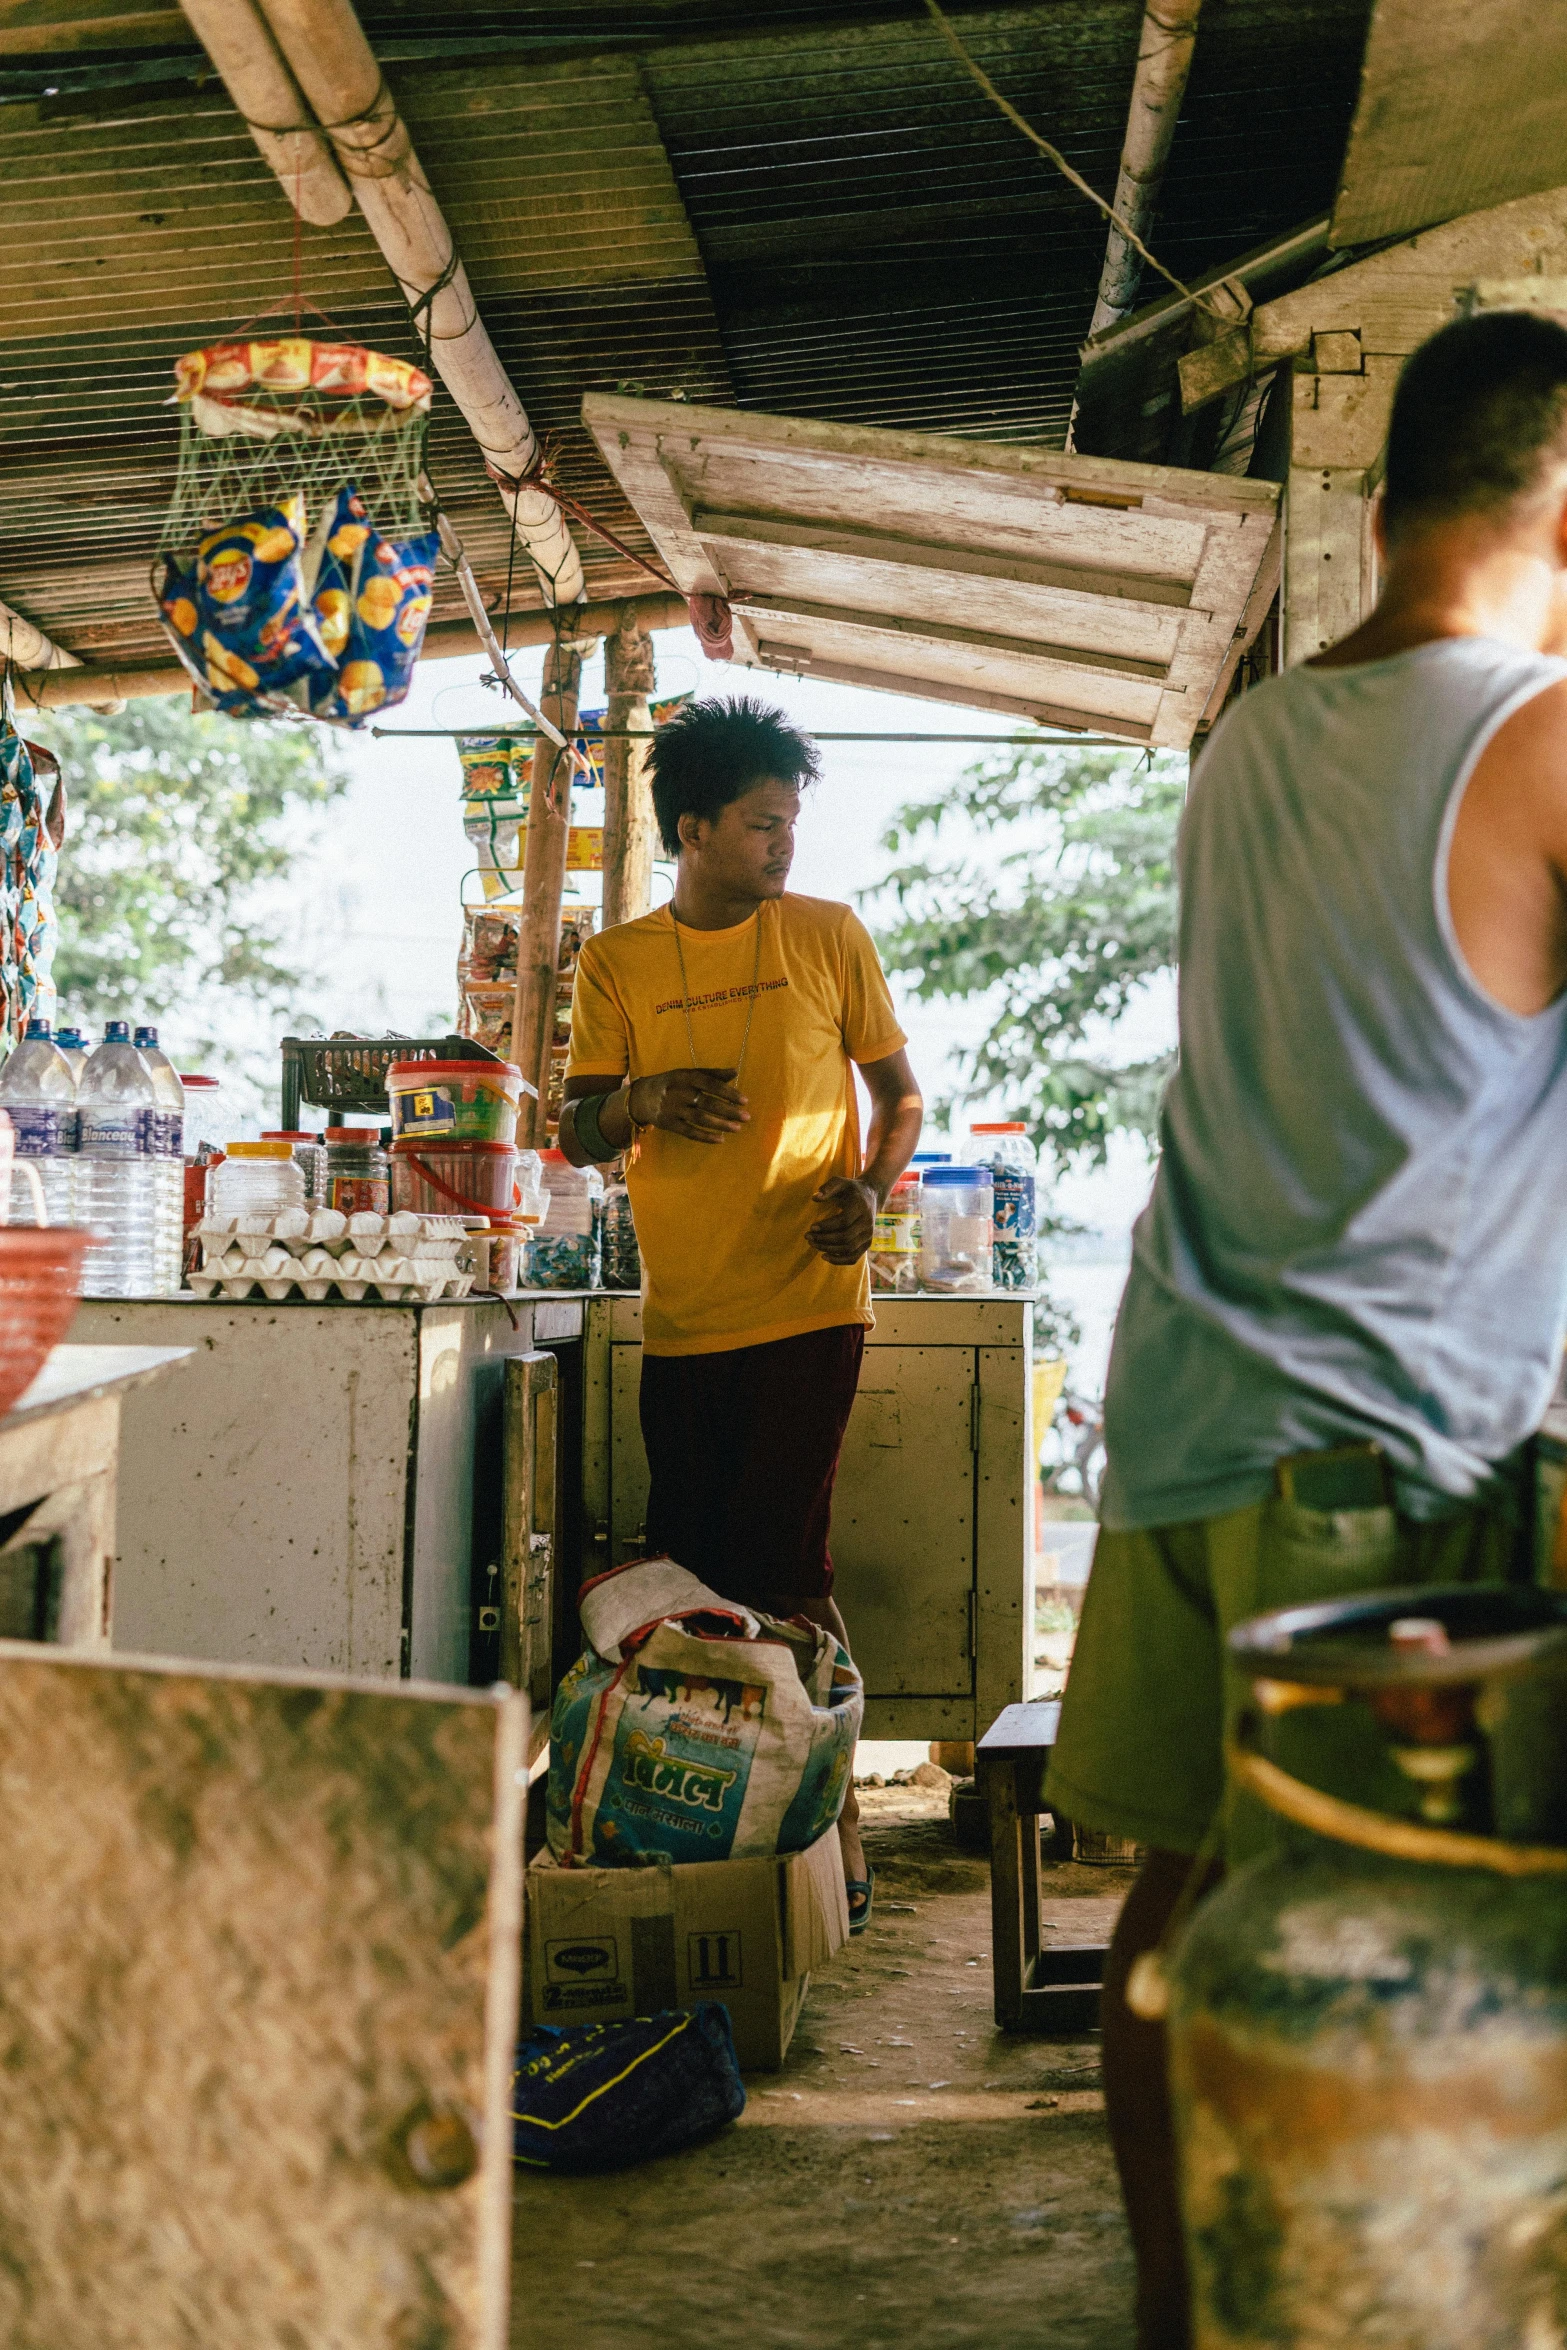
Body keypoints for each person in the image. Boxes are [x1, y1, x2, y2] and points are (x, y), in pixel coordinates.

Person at [1043, 306, 1567, 2347]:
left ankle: (1186, 2314)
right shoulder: (1529, 732)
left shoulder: (1250, 742)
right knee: (1385, 1955)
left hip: (1186, 1418)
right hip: (1378, 1458)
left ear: (1375, 507)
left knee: (1179, 1924)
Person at [559, 694, 923, 1925]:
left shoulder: (827, 935)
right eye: (763, 825)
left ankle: (832, 1833)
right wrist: (644, 1097)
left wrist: (868, 1195)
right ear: (694, 827)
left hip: (811, 1306)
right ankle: (728, 1824)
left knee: (782, 1564)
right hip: (686, 1320)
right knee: (695, 1578)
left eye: (790, 824)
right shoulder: (616, 964)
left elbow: (901, 1100)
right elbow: (572, 1128)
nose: (784, 846)